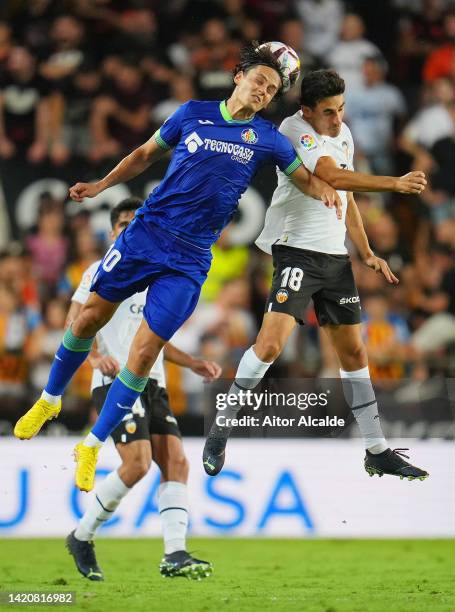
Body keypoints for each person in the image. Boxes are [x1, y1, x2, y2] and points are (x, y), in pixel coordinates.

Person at [14, 41, 343, 493]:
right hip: (147, 234)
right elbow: (144, 155)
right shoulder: (192, 113)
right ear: (239, 77)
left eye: (271, 90)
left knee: (146, 354)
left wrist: (325, 189)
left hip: (190, 259)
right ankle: (50, 400)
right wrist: (100, 185)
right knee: (90, 315)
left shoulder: (267, 138)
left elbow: (304, 178)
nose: (263, 92)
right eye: (259, 82)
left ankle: (91, 444)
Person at [203, 69, 429, 481]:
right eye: (328, 112)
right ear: (307, 110)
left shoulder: (342, 134)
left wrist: (365, 251)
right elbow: (331, 175)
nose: (338, 120)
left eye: (341, 109)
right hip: (297, 252)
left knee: (355, 354)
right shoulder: (294, 128)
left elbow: (347, 194)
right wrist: (394, 183)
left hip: (334, 257)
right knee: (270, 346)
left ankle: (376, 449)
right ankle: (223, 423)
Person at [65, 198, 220, 580]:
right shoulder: (100, 271)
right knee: (136, 463)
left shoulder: (157, 273)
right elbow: (76, 320)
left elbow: (154, 341)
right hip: (115, 382)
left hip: (155, 383)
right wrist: (93, 357)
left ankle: (175, 554)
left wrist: (193, 362)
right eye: (122, 224)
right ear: (112, 231)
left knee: (176, 462)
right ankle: (81, 536)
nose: (129, 228)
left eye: (136, 222)